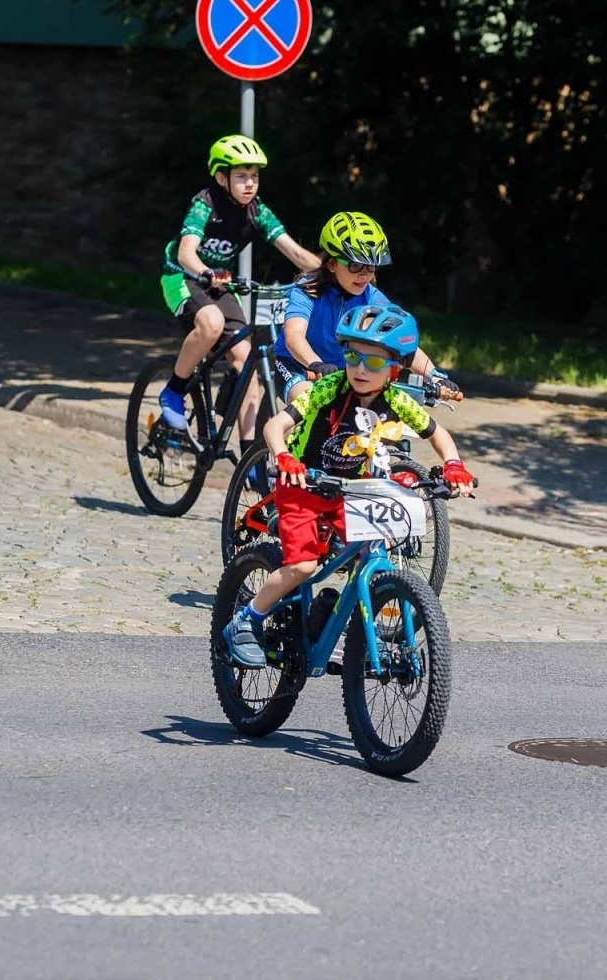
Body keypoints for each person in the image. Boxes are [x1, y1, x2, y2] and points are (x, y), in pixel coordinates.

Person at [222, 303, 476, 667]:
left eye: (372, 363)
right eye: (353, 357)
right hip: (304, 486)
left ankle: (331, 618)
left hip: (353, 491)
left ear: (393, 369)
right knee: (304, 566)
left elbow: (440, 435)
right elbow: (274, 427)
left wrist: (454, 466)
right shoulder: (328, 388)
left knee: (376, 549)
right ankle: (247, 620)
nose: (359, 369)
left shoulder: (398, 401)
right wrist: (284, 458)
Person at [156, 134, 320, 440]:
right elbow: (186, 251)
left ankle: (250, 461)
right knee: (211, 323)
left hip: (218, 283)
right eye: (241, 176)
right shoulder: (204, 203)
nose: (249, 184)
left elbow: (294, 252)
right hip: (182, 276)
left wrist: (329, 274)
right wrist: (204, 271)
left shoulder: (257, 211)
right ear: (222, 177)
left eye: (254, 177)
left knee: (247, 365)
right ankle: (174, 391)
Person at [273, 211, 462, 404]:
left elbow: (402, 342)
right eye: (355, 266)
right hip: (297, 365)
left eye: (371, 267)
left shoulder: (371, 296)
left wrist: (434, 376)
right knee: (310, 403)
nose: (365, 275)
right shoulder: (307, 290)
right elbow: (294, 336)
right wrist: (316, 364)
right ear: (331, 264)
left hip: (346, 369)